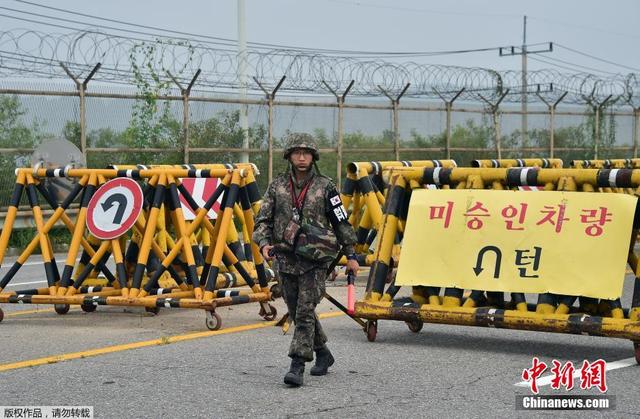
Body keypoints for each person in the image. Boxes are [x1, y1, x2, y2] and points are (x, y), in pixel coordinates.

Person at [253, 132, 360, 387]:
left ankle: (297, 364)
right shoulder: (277, 186)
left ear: (313, 157)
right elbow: (262, 220)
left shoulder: (326, 186)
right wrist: (264, 243)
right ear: (289, 156)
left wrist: (351, 255)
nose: (302, 158)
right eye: (297, 153)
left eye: (306, 153)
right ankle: (323, 353)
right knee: (298, 309)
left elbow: (341, 221)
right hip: (285, 259)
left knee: (303, 311)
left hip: (315, 261)